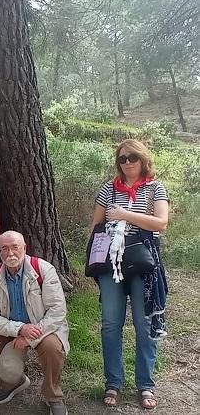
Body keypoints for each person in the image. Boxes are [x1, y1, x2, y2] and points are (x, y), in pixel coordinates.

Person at [90, 139, 169, 410]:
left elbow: (161, 222)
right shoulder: (107, 189)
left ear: (143, 158)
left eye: (132, 157)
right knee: (110, 324)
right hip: (111, 263)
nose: (127, 162)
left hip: (143, 262)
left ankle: (145, 384)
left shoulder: (155, 188)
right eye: (122, 158)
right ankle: (113, 381)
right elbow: (96, 224)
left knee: (143, 325)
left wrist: (124, 214)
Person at [0, 231, 69, 415]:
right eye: (4, 248)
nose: (10, 253)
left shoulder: (44, 269)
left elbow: (57, 311)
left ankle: (53, 396)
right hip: (12, 329)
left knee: (52, 347)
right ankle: (11, 382)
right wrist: (19, 329)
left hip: (43, 328)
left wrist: (29, 337)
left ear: (24, 248)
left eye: (15, 247)